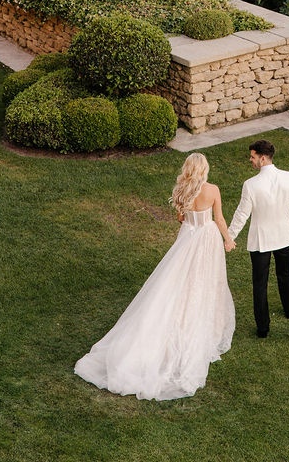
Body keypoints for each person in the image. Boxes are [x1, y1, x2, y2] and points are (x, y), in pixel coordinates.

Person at [74, 152, 235, 400]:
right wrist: (228, 240)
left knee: (177, 283)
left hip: (187, 240)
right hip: (206, 241)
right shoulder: (212, 190)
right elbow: (220, 219)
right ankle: (196, 323)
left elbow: (181, 219)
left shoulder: (182, 189)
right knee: (202, 283)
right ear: (204, 169)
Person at [227, 138, 289, 338]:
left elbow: (241, 215)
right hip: (284, 236)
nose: (250, 160)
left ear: (263, 158)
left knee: (260, 283)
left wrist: (228, 237)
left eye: (252, 157)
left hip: (260, 241)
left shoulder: (250, 185)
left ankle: (263, 327)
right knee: (286, 274)